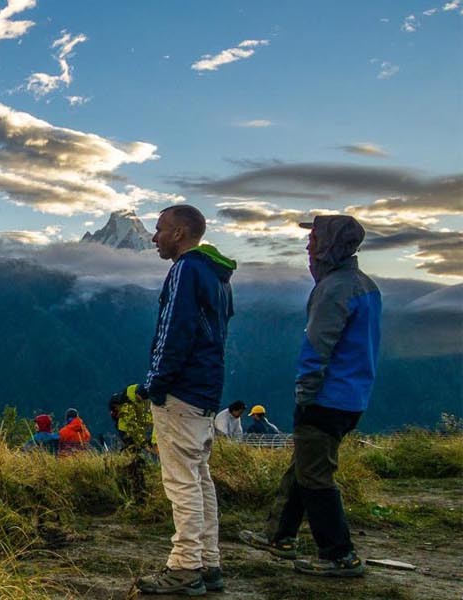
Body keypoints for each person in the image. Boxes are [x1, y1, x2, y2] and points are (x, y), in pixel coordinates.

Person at [242, 215, 381, 578]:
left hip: (325, 397)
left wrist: (304, 393)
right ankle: (280, 535)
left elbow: (317, 345)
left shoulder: (334, 288)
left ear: (331, 245)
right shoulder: (366, 286)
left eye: (315, 239)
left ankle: (339, 554)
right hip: (353, 396)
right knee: (304, 467)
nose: (308, 246)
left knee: (316, 477)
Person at [124, 204, 236, 596]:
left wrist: (156, 383)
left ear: (179, 233)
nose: (154, 238)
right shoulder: (218, 276)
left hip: (181, 391)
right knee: (199, 478)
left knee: (181, 481)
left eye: (159, 230)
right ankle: (208, 562)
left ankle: (185, 567)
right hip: (206, 390)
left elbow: (175, 332)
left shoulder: (186, 270)